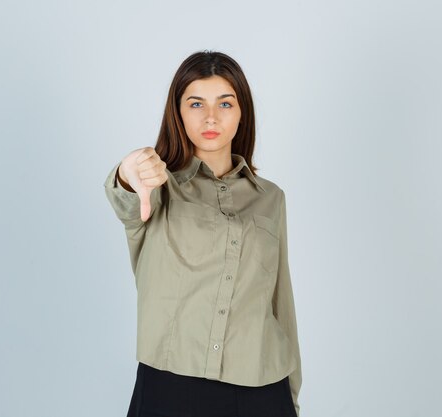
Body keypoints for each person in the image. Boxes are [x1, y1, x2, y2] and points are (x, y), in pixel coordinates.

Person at [104, 50, 302, 417]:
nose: (211, 116)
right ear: (177, 112)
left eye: (225, 103)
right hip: (171, 387)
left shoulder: (270, 198)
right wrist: (127, 171)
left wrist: (292, 396)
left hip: (262, 388)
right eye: (196, 103)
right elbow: (126, 197)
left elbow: (280, 302)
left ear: (242, 113)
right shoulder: (157, 188)